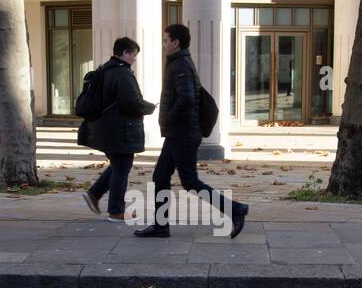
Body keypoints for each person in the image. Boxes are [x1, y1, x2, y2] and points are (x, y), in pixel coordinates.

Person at [134, 23, 249, 239]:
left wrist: (168, 118)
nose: (164, 44)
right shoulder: (179, 62)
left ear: (176, 42)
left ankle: (236, 210)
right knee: (160, 175)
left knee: (189, 182)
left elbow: (187, 98)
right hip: (179, 133)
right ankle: (161, 226)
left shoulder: (180, 65)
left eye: (166, 40)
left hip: (183, 133)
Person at [80, 37, 156, 223]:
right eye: (133, 54)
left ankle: (94, 195)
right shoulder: (121, 73)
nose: (135, 59)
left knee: (118, 165)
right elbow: (131, 103)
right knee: (122, 167)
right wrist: (149, 107)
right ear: (124, 53)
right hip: (119, 129)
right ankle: (115, 211)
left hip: (107, 128)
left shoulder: (106, 69)